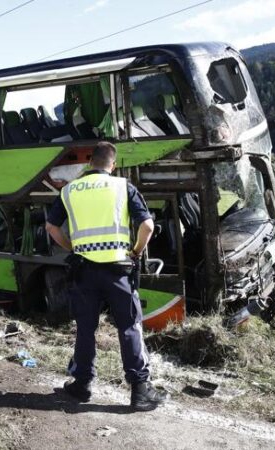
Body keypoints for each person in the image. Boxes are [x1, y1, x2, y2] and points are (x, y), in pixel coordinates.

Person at [45, 141, 168, 412]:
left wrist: (72, 247)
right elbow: (147, 226)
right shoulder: (124, 187)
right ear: (113, 164)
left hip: (84, 271)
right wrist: (135, 252)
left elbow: (51, 227)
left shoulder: (69, 190)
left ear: (90, 163)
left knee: (86, 328)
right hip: (118, 271)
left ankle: (81, 385)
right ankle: (140, 391)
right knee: (129, 327)